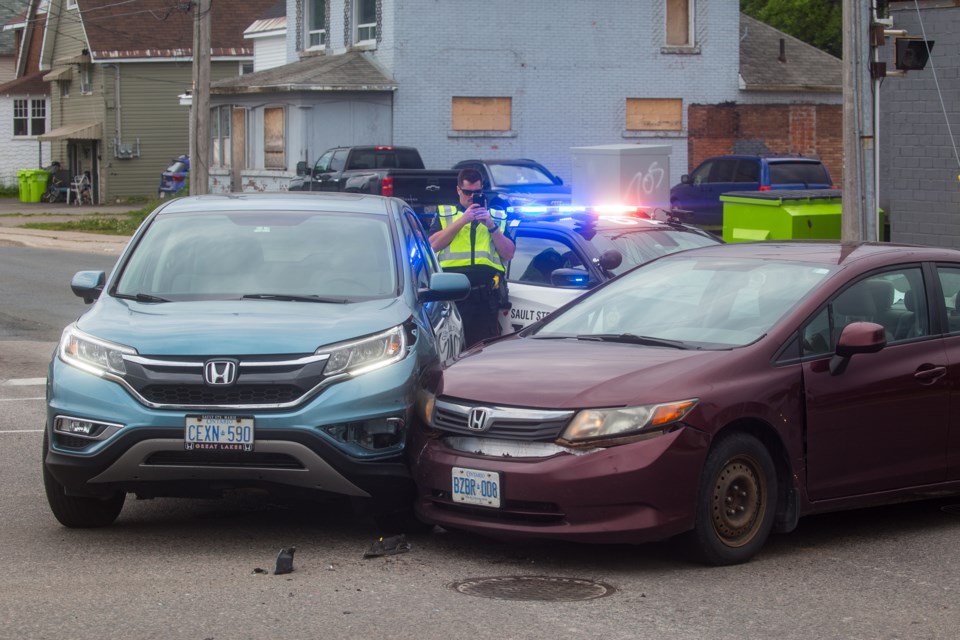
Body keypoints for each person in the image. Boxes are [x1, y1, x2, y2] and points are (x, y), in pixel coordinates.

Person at [430, 168, 515, 348]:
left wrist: (491, 226)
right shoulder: (447, 214)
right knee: (450, 351)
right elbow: (432, 245)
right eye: (467, 192)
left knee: (481, 354)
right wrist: (463, 220)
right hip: (452, 299)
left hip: (484, 299)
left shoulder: (497, 217)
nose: (471, 197)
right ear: (458, 190)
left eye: (477, 192)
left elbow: (509, 253)